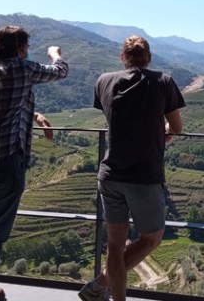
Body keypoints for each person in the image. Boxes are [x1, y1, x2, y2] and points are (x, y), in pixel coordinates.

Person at [0, 25, 68, 301]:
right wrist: (55, 54)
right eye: (27, 47)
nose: (28, 52)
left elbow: (1, 105)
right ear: (20, 48)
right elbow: (60, 72)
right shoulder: (22, 68)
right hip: (4, 160)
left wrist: (36, 116)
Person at [79, 35, 185, 301]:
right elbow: (177, 127)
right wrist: (163, 131)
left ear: (122, 57)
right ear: (148, 57)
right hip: (144, 175)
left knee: (115, 244)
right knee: (151, 237)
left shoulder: (104, 81)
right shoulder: (163, 81)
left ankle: (104, 291)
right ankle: (98, 285)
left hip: (110, 173)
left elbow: (114, 117)